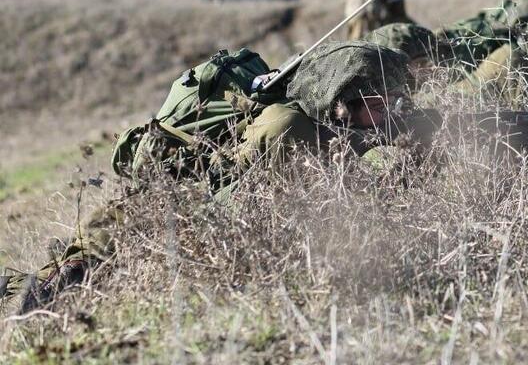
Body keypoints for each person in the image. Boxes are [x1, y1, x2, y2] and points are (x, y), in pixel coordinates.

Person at [2, 42, 414, 313]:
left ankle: (42, 278)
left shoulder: (317, 118)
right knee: (91, 263)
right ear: (342, 100)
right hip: (194, 216)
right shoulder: (290, 124)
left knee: (91, 253)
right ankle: (39, 284)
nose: (385, 114)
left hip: (190, 207)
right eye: (378, 105)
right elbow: (355, 194)